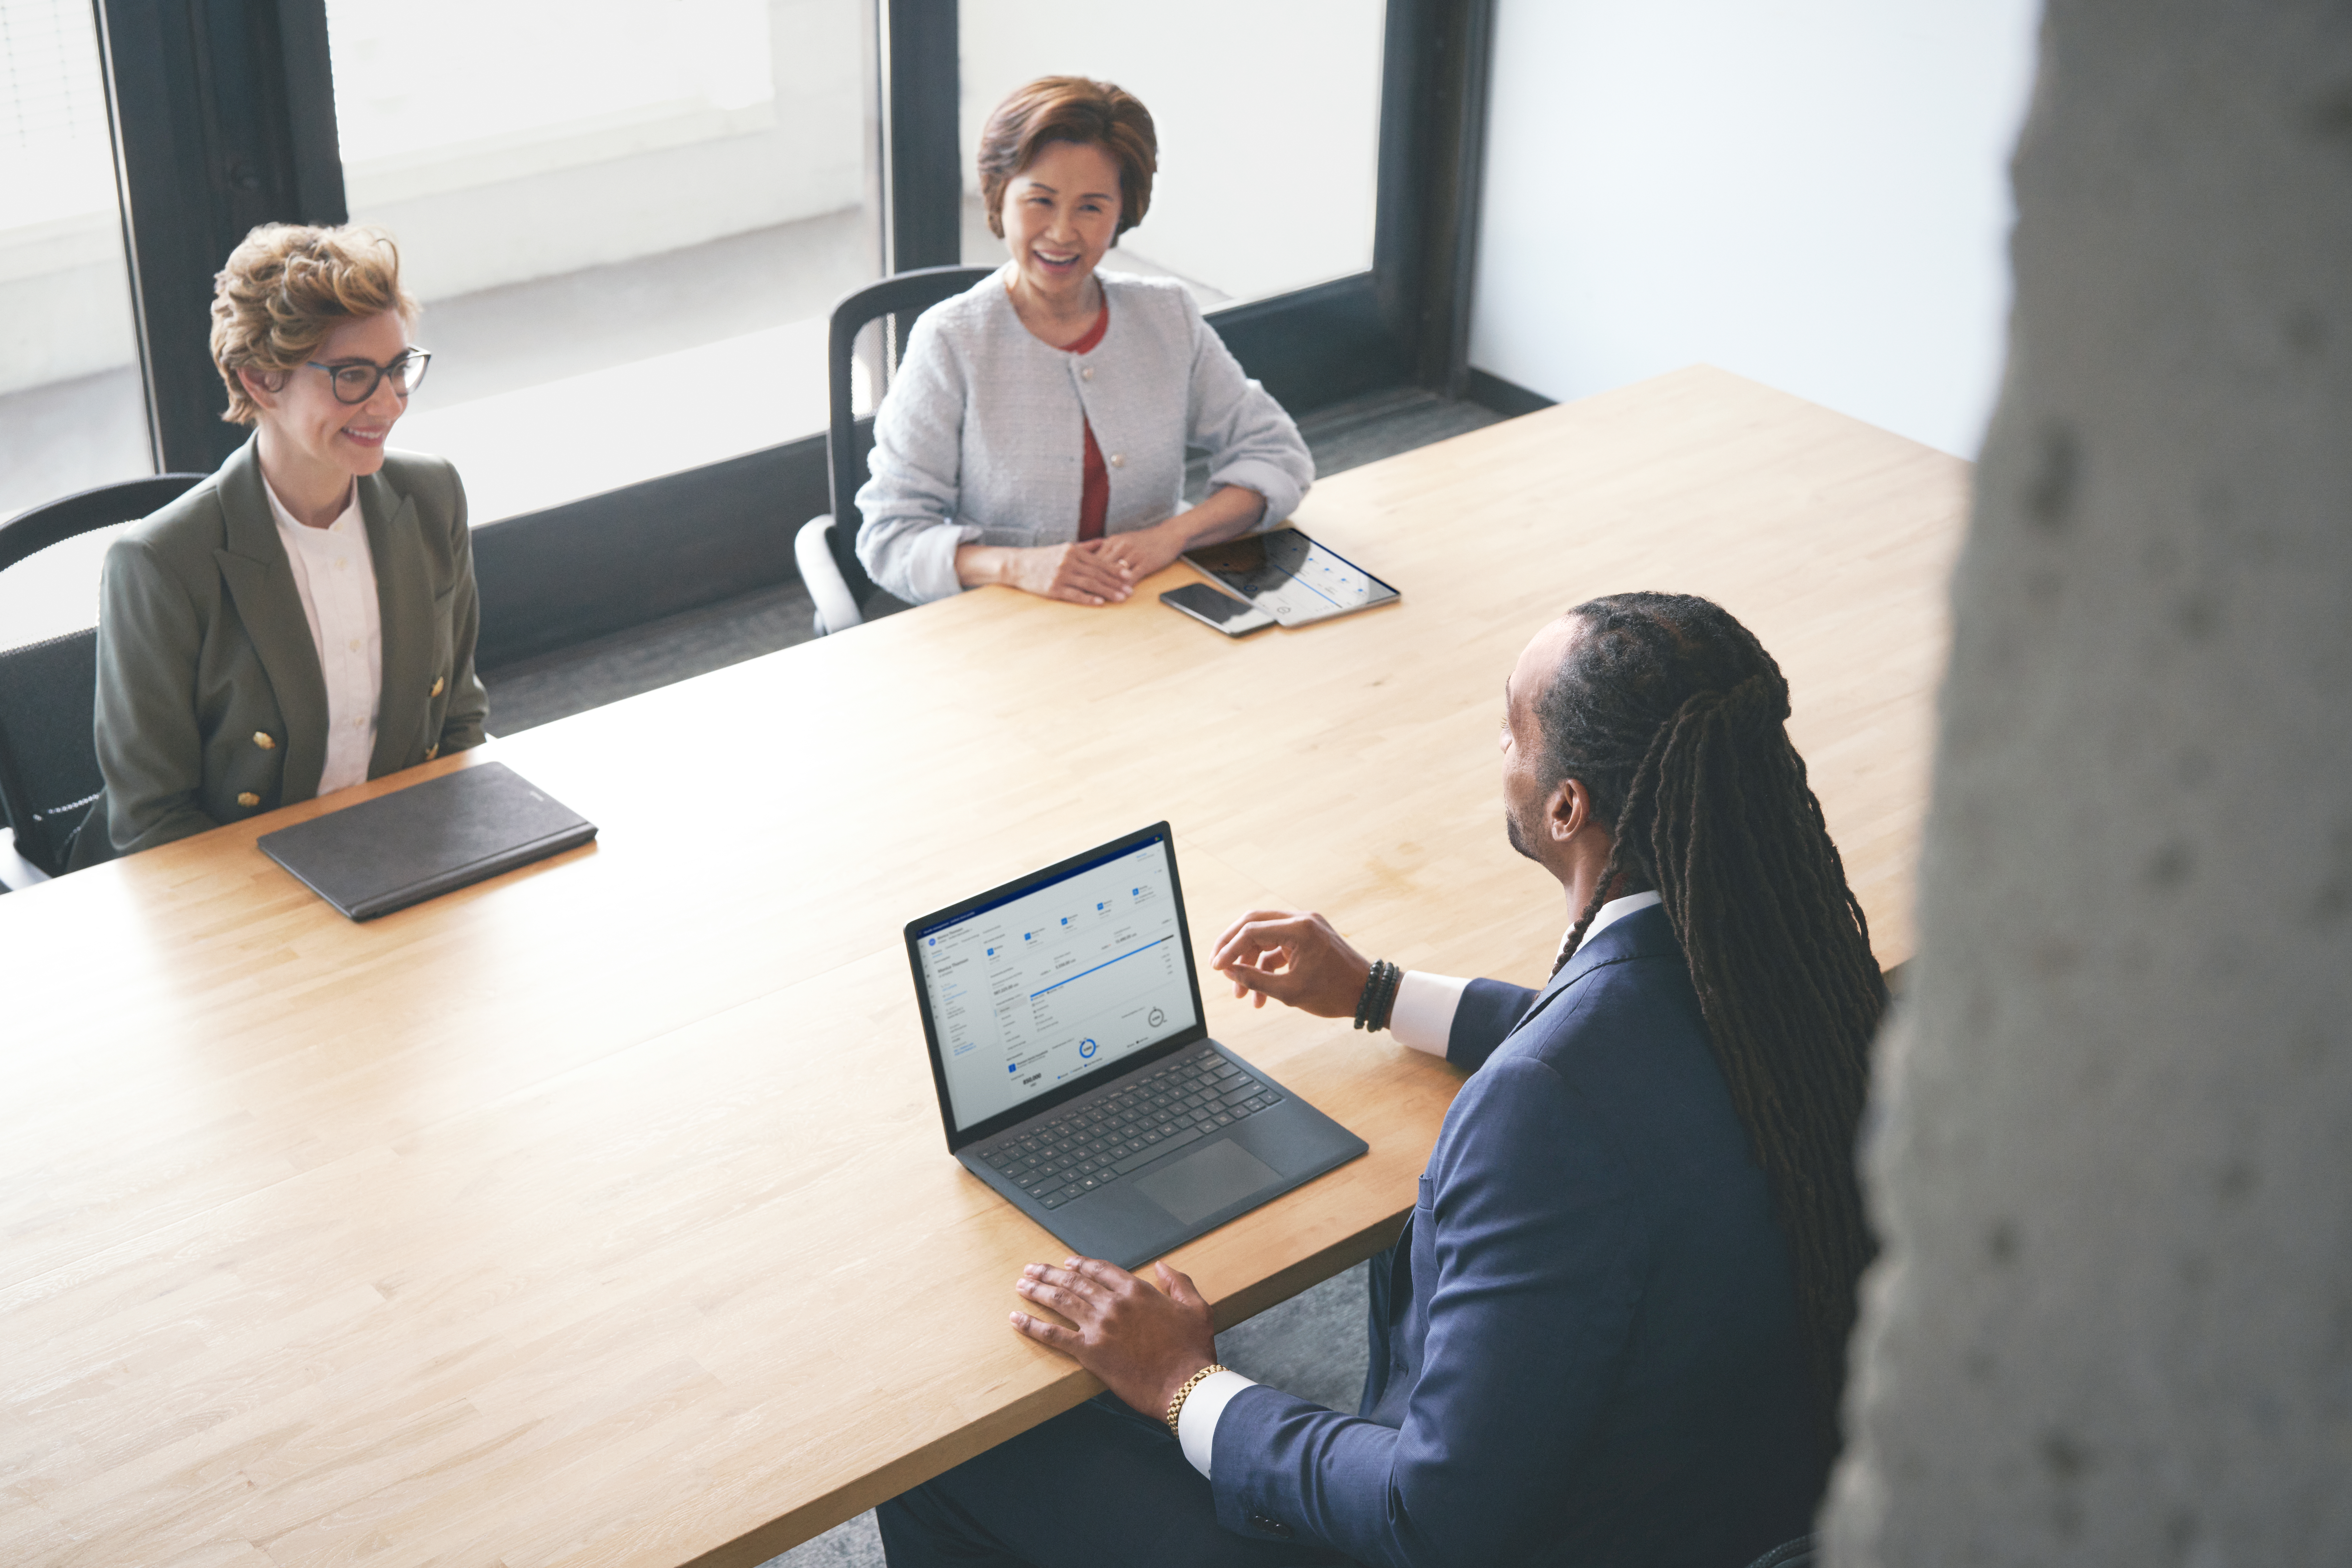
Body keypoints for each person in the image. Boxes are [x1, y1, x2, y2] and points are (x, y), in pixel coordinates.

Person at [877, 593, 1888, 1567]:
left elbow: (1425, 1515)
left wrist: (1183, 1383)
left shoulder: (1545, 1110)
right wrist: (1378, 991)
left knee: (950, 1465)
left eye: (1510, 729)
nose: (1499, 750)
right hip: (1736, 1506)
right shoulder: (1797, 972)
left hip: (1491, 1539)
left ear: (1565, 805)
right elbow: (1621, 1039)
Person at [70, 224, 487, 866]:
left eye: (399, 368)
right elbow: (154, 825)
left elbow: (458, 723)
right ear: (262, 381)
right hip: (232, 901)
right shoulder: (159, 565)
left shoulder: (433, 497)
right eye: (353, 376)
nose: (389, 403)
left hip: (393, 858)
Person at [855, 76, 1314, 608]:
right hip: (1008, 616)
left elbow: (1277, 455)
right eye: (1041, 201)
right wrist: (1018, 566)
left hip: (1149, 601)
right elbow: (889, 537)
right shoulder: (951, 340)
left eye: (1091, 207)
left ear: (1124, 213)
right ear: (1001, 197)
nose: (1062, 232)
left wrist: (1172, 535)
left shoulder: (1167, 315)